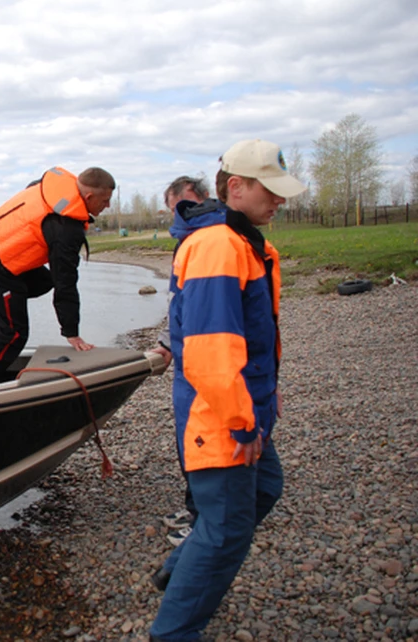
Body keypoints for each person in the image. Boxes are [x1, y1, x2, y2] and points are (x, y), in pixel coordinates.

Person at [148, 139, 305, 641]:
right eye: (271, 190)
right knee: (227, 530)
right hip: (218, 416)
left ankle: (179, 568)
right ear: (235, 187)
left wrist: (263, 402)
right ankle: (172, 633)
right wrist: (243, 421)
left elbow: (248, 338)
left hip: (241, 405)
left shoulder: (240, 240)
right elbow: (210, 352)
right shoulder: (218, 244)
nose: (280, 201)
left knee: (264, 489)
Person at [0, 166, 114, 390]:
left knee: (46, 280)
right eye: (105, 200)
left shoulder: (50, 187)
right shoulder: (66, 228)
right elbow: (66, 283)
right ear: (89, 196)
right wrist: (71, 332)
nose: (108, 206)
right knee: (13, 332)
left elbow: (57, 277)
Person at [150, 176, 210, 553]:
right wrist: (165, 343)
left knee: (204, 441)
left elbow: (203, 307)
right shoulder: (185, 244)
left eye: (186, 205)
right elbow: (179, 304)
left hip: (205, 364)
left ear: (200, 198)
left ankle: (207, 523)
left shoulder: (208, 242)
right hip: (187, 361)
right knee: (189, 439)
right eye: (175, 209)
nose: (182, 213)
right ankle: (196, 509)